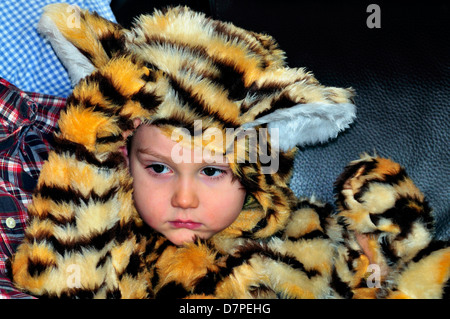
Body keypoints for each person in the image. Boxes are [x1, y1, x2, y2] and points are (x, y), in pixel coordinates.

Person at [8, 4, 449, 299]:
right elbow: (59, 280)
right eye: (159, 167)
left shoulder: (305, 233)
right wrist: (87, 139)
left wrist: (393, 232)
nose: (184, 198)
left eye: (213, 171)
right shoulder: (120, 247)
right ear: (123, 156)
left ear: (258, 161)